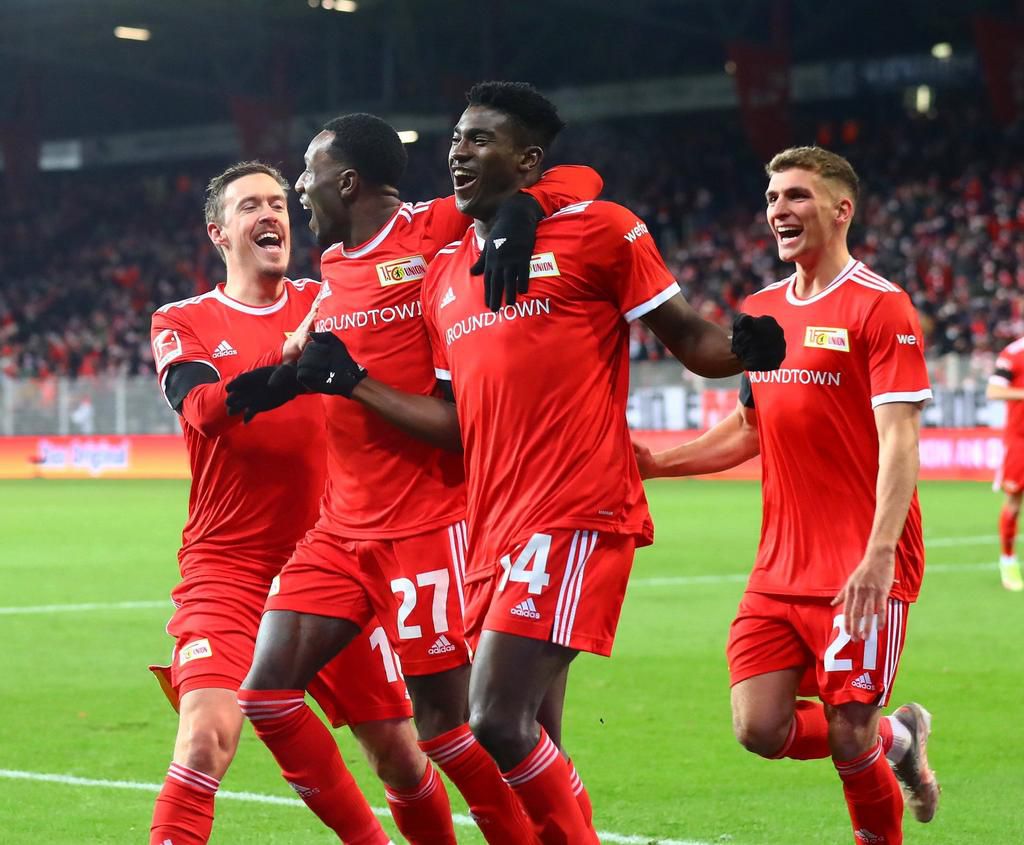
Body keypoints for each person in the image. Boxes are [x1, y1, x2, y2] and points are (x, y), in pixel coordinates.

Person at [283, 82, 786, 844]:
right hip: (492, 530)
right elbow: (454, 422)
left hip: (578, 509)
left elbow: (690, 337)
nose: (458, 151)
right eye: (455, 138)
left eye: (480, 140)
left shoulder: (602, 232)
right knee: (535, 738)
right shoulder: (446, 276)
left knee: (493, 718)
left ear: (528, 160)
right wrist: (353, 381)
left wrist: (745, 348)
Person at [226, 113, 603, 844]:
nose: (297, 189)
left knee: (452, 730)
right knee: (267, 695)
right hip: (341, 530)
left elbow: (575, 179)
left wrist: (525, 208)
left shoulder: (431, 229)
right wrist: (290, 377)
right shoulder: (332, 270)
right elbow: (340, 353)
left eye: (306, 174)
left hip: (429, 525)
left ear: (347, 181)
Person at [635, 146, 940, 844]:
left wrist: (880, 553)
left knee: (846, 728)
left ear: (841, 209)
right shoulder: (761, 311)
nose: (780, 210)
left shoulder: (881, 306)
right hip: (780, 566)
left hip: (862, 565)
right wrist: (656, 462)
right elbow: (748, 430)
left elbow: (901, 441)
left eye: (798, 195)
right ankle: (901, 737)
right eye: (773, 197)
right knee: (759, 726)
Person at [147, 161, 434, 845]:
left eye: (278, 201)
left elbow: (416, 252)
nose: (271, 213)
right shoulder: (184, 319)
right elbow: (206, 408)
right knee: (205, 738)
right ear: (219, 231)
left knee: (399, 748)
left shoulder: (330, 297)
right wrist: (289, 366)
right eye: (250, 205)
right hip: (227, 570)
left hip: (334, 559)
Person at [986, 337, 1024, 591]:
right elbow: (994, 391)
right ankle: (1007, 561)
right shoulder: (1014, 353)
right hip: (1020, 441)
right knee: (1014, 500)